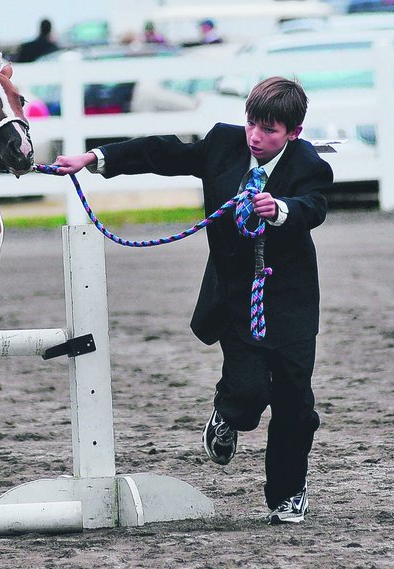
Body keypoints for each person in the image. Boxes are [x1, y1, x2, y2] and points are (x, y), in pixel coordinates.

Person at [51, 77, 332, 525]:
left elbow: (312, 205)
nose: (257, 137)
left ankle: (287, 493)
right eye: (252, 125)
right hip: (236, 299)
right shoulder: (223, 143)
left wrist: (279, 210)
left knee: (296, 403)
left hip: (292, 303)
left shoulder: (309, 163)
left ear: (293, 133)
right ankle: (227, 414)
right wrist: (97, 158)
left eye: (271, 130)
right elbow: (164, 152)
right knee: (249, 391)